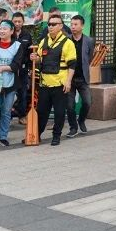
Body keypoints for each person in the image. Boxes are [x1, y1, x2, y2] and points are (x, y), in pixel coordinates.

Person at [33, 11, 76, 146]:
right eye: (49, 24)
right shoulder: (44, 41)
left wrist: (68, 81)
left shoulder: (68, 43)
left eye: (54, 24)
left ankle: (56, 136)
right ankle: (36, 135)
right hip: (45, 83)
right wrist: (35, 58)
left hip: (60, 84)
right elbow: (39, 59)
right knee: (41, 112)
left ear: (61, 26)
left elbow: (72, 65)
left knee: (59, 112)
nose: (50, 27)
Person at [66, 15, 94, 137]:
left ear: (82, 26)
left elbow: (90, 58)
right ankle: (73, 127)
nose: (73, 27)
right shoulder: (66, 40)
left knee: (87, 102)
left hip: (83, 78)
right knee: (69, 105)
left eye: (75, 24)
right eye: (71, 24)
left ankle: (81, 120)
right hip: (69, 78)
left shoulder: (89, 41)